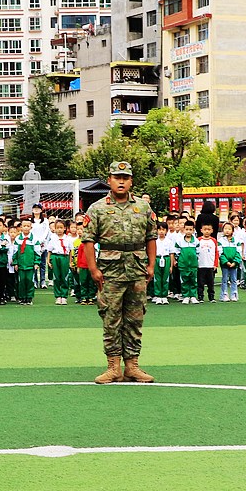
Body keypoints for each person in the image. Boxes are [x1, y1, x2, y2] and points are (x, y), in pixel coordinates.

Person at [82, 161, 157, 384]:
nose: (121, 181)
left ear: (131, 181)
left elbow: (151, 237)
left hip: (137, 268)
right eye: (117, 177)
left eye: (125, 178)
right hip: (110, 271)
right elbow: (88, 240)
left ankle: (132, 366)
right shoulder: (97, 208)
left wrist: (151, 265)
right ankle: (113, 367)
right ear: (110, 180)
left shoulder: (143, 207)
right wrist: (93, 268)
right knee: (111, 318)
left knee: (135, 318)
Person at [45, 220, 70, 305]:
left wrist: (70, 262)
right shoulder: (53, 238)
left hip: (64, 257)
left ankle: (64, 296)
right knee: (56, 277)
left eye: (61, 228)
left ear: (65, 228)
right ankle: (58, 296)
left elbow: (70, 251)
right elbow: (49, 250)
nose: (59, 230)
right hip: (55, 257)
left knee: (64, 276)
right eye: (57, 228)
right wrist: (48, 261)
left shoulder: (67, 238)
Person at [218, 222, 242, 302]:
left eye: (229, 229)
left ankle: (234, 294)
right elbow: (220, 253)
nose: (227, 230)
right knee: (224, 279)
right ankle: (224, 295)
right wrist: (226, 262)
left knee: (234, 279)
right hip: (225, 264)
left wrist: (235, 262)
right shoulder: (220, 241)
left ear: (232, 230)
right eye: (225, 229)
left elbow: (239, 252)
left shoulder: (236, 241)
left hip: (234, 264)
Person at [196, 223, 218, 303]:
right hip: (200, 265)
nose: (207, 231)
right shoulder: (198, 240)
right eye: (205, 229)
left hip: (210, 265)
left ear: (212, 231)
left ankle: (211, 297)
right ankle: (200, 296)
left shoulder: (213, 241)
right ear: (201, 230)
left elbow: (216, 252)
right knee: (200, 282)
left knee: (211, 283)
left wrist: (215, 264)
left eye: (209, 229)